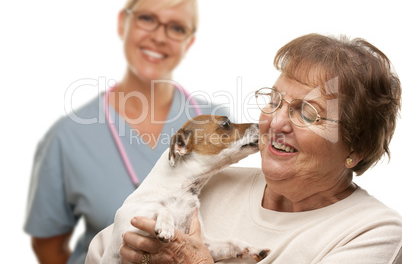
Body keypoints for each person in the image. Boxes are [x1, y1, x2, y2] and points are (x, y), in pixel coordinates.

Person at [86, 33, 402, 263]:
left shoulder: (375, 233)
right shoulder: (210, 181)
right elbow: (103, 250)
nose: (275, 122)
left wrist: (193, 261)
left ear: (356, 148)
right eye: (274, 101)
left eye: (307, 112)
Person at [24, 0, 228, 264]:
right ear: (122, 23)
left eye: (176, 28)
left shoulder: (220, 124)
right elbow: (48, 246)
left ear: (189, 41)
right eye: (147, 18)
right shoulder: (68, 136)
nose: (159, 36)